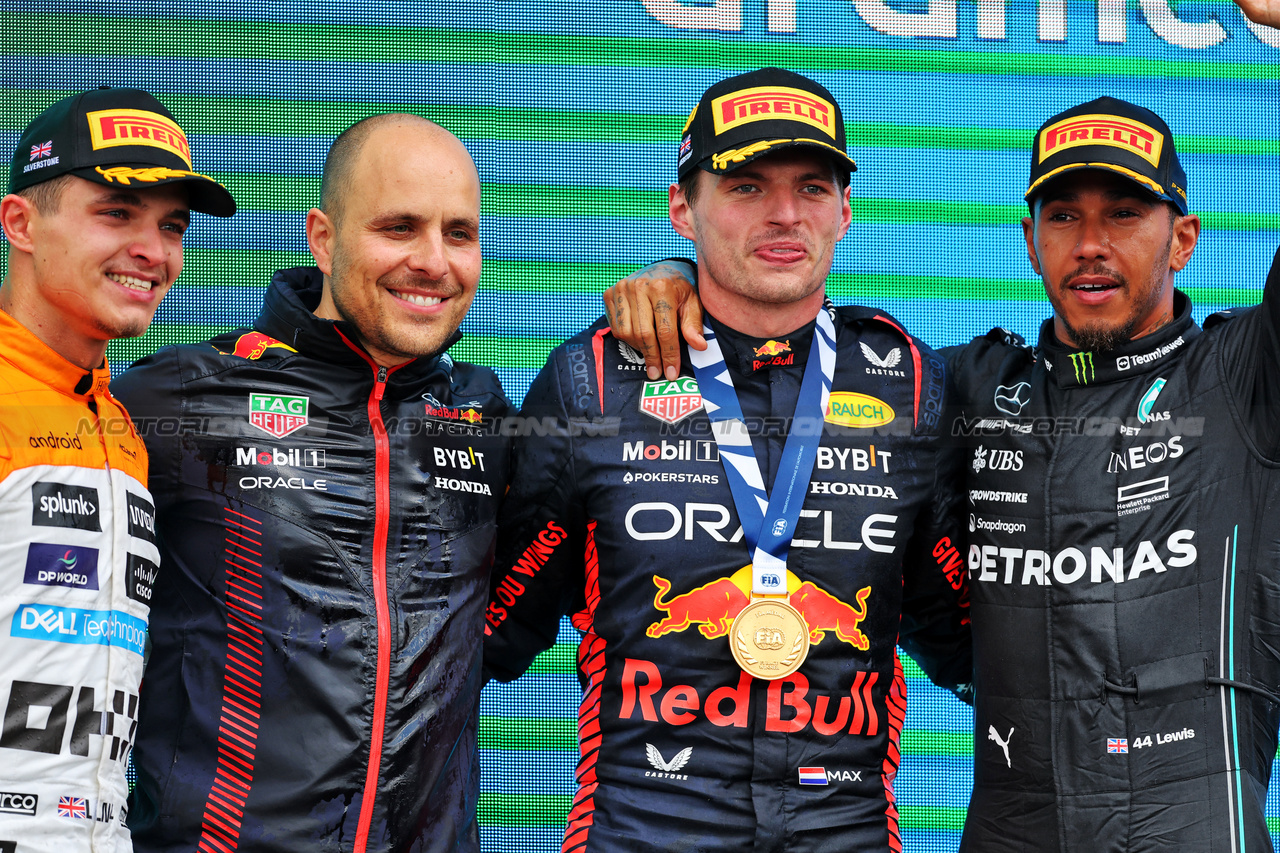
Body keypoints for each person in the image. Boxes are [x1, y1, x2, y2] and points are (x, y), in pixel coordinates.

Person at [610, 6, 1280, 845]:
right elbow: (794, 342)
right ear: (1028, 240)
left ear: (1182, 238)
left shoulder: (1248, 372)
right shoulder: (959, 384)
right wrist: (682, 278)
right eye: (1063, 216)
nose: (1091, 245)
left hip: (1194, 825)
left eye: (1125, 214)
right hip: (1011, 824)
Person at [483, 67, 972, 852]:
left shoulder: (915, 384)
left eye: (813, 187)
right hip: (641, 831)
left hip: (845, 831)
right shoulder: (591, 380)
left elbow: (973, 639)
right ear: (683, 208)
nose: (785, 215)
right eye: (745, 186)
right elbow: (482, 630)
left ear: (845, 211)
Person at [111, 115, 512, 853]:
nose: (434, 260)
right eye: (399, 227)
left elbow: (519, 621)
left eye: (460, 233)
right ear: (322, 237)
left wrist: (671, 276)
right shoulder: (177, 400)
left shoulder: (487, 419)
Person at [0, 88, 234, 852]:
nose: (153, 250)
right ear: (21, 223)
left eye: (171, 226)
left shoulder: (121, 426)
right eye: (116, 214)